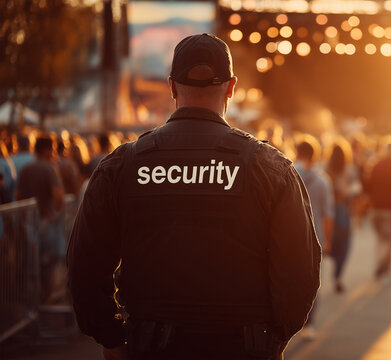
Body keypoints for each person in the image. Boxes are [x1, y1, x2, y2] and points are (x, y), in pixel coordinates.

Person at [67, 34, 321, 360]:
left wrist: (111, 338)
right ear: (231, 87)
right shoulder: (268, 167)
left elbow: (84, 265)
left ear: (172, 87)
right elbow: (300, 267)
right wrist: (276, 336)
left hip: (151, 348)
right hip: (243, 348)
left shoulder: (122, 166)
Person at [16, 136, 65, 303]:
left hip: (29, 221)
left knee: (32, 262)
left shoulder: (25, 169)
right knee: (50, 262)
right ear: (47, 150)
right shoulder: (49, 169)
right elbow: (58, 195)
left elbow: (18, 196)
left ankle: (33, 300)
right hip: (47, 220)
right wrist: (55, 213)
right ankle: (47, 297)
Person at [294, 135, 333, 340]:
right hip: (315, 237)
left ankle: (289, 322)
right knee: (313, 283)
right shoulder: (323, 181)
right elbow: (328, 214)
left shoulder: (288, 173)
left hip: (290, 236)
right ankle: (308, 324)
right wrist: (327, 240)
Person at [365, 136, 391, 283]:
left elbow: (368, 186)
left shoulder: (375, 165)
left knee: (381, 240)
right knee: (390, 241)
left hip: (376, 208)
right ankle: (385, 270)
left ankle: (380, 266)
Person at [326, 138, 362, 293]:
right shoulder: (350, 169)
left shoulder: (325, 169)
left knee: (328, 242)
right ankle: (338, 274)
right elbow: (356, 189)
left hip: (328, 211)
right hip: (343, 211)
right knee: (345, 245)